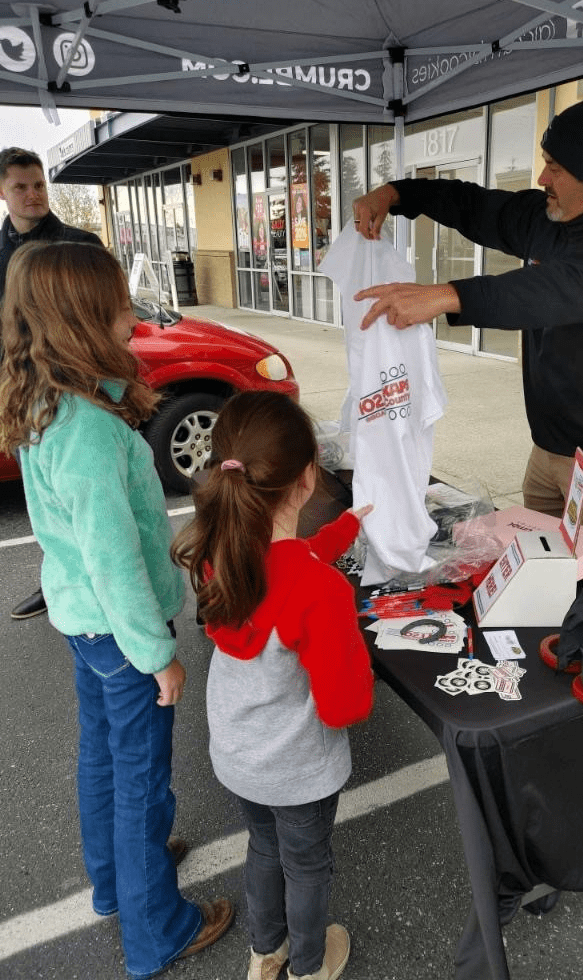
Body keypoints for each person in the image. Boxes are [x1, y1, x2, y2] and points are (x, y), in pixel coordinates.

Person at [0, 241, 233, 980]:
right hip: (120, 631)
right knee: (141, 781)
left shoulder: (47, 402)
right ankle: (157, 928)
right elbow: (113, 558)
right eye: (119, 308)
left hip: (86, 625)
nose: (132, 320)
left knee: (102, 756)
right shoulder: (89, 430)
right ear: (80, 322)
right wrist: (157, 655)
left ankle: (116, 879)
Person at [352, 89, 583, 567]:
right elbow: (474, 206)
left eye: (555, 168)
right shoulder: (547, 217)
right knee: (533, 570)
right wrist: (397, 194)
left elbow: (548, 292)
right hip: (550, 443)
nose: (542, 178)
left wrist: (446, 295)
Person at [171, 390, 375, 980]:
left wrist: (343, 531)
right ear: (308, 478)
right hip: (298, 769)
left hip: (240, 755)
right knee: (306, 866)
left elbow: (286, 563)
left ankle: (267, 953)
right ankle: (309, 966)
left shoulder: (221, 552)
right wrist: (357, 659)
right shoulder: (320, 591)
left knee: (263, 847)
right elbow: (345, 706)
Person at [0, 145, 103, 621]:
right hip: (23, 392)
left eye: (39, 184)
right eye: (20, 186)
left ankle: (106, 577)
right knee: (43, 497)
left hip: (79, 389)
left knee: (91, 491)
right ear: (3, 192)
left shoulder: (82, 245)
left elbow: (104, 316)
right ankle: (57, 578)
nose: (33, 194)